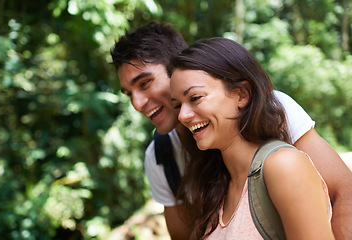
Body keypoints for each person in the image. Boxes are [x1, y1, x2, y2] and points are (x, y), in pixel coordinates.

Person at [110, 21, 352, 240]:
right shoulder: (166, 158)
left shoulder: (274, 112)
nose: (137, 103)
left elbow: (344, 193)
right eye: (129, 93)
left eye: (144, 83)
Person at [168, 37, 334, 239]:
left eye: (195, 98)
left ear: (241, 95)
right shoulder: (214, 184)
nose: (182, 116)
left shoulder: (284, 166)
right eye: (178, 105)